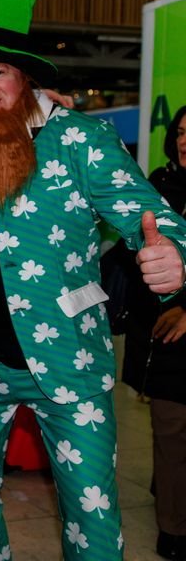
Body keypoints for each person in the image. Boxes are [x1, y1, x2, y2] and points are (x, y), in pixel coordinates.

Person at [0, 0, 186, 560]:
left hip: (69, 358)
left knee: (91, 508)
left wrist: (175, 256)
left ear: (26, 81)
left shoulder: (80, 139)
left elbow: (155, 216)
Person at [122, 105, 186, 560]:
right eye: (181, 132)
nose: (184, 140)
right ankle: (175, 529)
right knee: (171, 428)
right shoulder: (157, 187)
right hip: (161, 339)